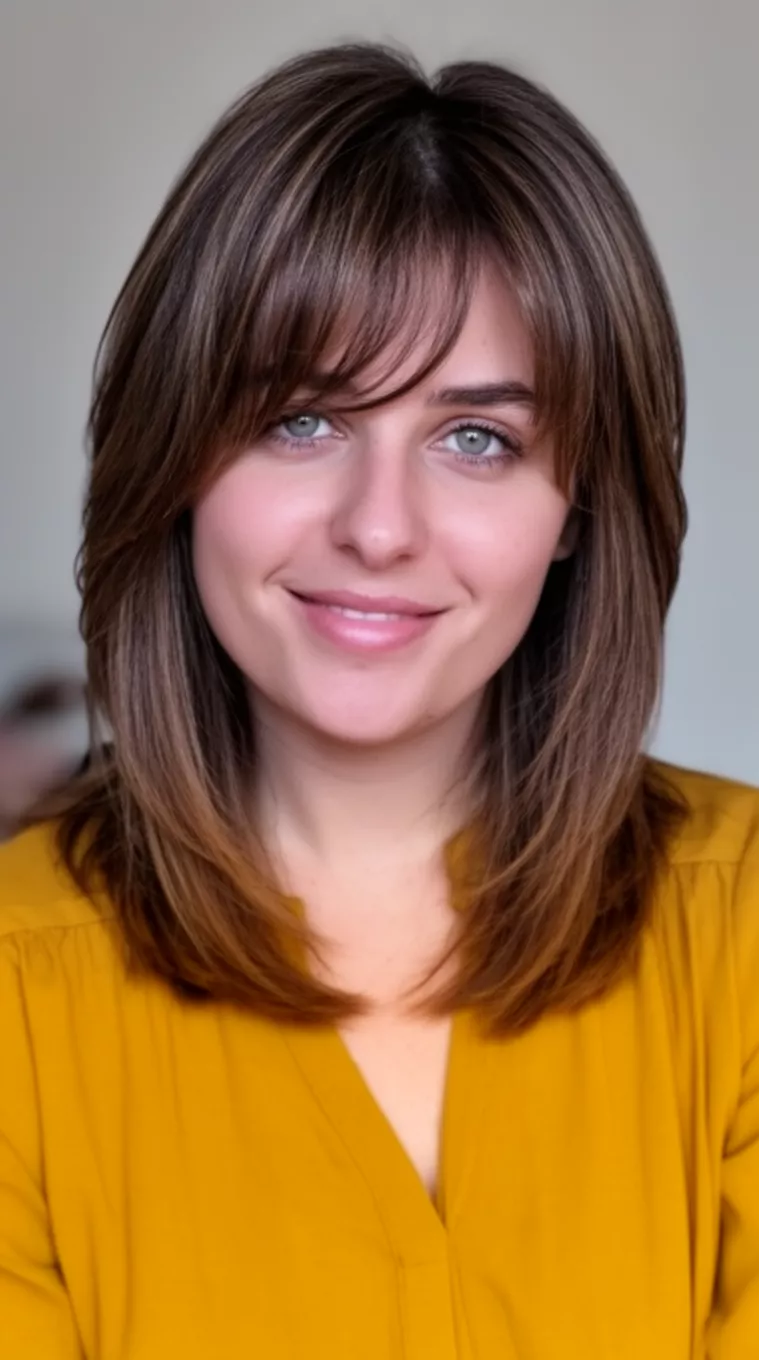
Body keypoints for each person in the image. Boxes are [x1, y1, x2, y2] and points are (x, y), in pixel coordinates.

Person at [1, 40, 757, 1359]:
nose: (378, 527)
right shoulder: (17, 992)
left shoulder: (739, 930)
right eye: (301, 418)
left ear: (576, 504)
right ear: (177, 456)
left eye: (477, 438)